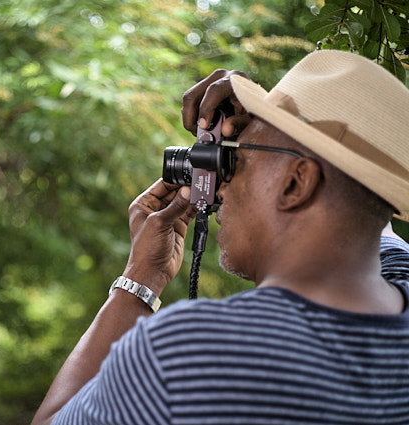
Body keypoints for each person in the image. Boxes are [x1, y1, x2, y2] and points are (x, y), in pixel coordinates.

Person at [31, 50, 409, 425]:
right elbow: (363, 207)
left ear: (296, 182)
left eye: (237, 162)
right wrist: (266, 124)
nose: (220, 188)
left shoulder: (189, 354)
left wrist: (139, 278)